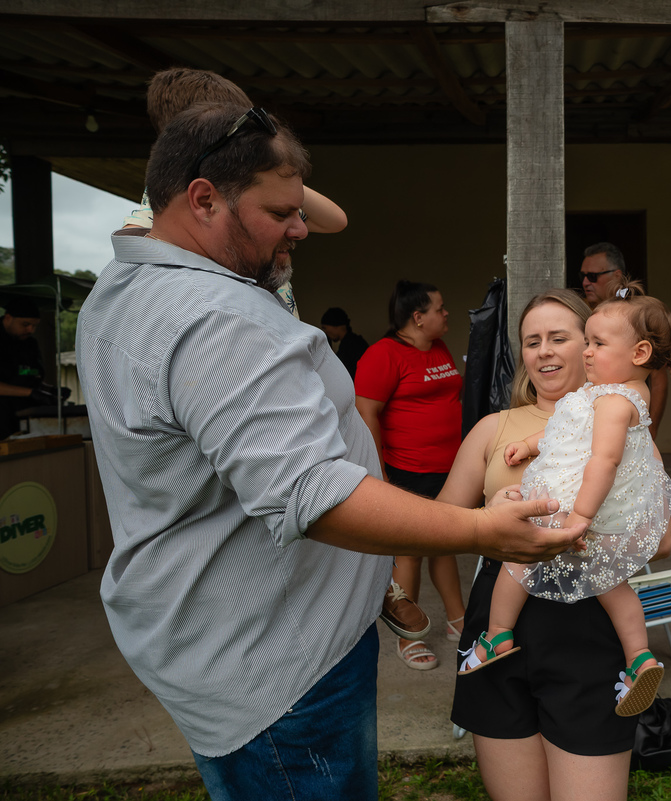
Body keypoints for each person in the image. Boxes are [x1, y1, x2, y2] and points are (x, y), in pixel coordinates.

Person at [76, 104, 582, 801]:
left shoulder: (129, 278)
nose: (301, 227)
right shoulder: (215, 318)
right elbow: (314, 495)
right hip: (284, 677)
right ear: (203, 199)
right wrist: (478, 531)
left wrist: (258, 168)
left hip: (227, 644)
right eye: (280, 211)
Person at [446, 289, 671, 801]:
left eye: (560, 338)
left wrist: (585, 526)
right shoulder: (494, 428)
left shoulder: (622, 421)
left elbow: (660, 540)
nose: (545, 351)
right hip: (499, 616)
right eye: (532, 341)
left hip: (585, 616)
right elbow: (442, 524)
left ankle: (638, 662)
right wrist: (489, 517)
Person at [122, 67, 349, 319]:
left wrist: (275, 176)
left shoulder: (248, 188)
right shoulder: (159, 208)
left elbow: (335, 220)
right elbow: (136, 245)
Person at [355, 281, 467, 671]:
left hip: (447, 467)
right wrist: (378, 472)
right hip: (407, 468)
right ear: (418, 317)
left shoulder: (438, 348)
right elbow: (366, 413)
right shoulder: (383, 355)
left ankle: (458, 620)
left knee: (445, 542)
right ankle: (409, 635)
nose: (446, 313)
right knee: (411, 551)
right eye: (439, 308)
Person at [580, 243, 670, 440]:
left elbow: (658, 378)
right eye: (583, 276)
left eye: (593, 276)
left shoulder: (638, 319)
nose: (586, 282)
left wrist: (650, 429)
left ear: (617, 275)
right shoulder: (581, 311)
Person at [0, 299, 46, 439]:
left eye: (34, 326)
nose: (30, 330)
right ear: (8, 318)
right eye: (25, 324)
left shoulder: (29, 343)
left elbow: (29, 373)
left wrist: (47, 391)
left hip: (24, 414)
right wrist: (30, 393)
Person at [320, 306, 369, 379]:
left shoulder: (352, 345)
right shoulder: (351, 342)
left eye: (325, 328)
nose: (325, 332)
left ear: (335, 326)